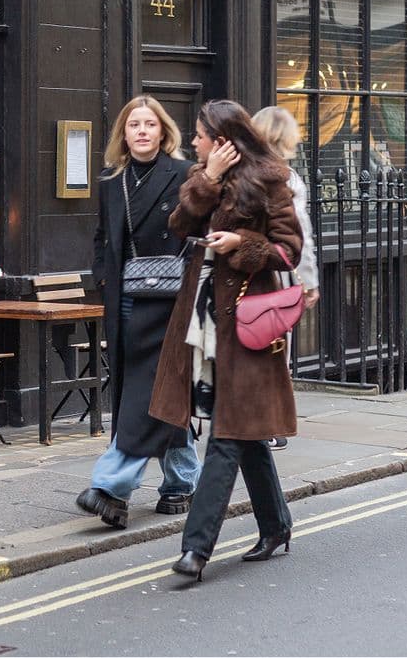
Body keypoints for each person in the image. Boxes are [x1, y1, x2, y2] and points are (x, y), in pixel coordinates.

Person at [150, 99, 302, 581]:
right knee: (247, 430)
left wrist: (242, 246)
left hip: (247, 320)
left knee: (229, 435)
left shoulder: (271, 179)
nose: (192, 141)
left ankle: (196, 549)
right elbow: (177, 225)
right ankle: (276, 525)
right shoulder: (203, 175)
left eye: (198, 134)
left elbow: (288, 251)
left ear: (221, 139)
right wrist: (208, 179)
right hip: (205, 318)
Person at [75, 95, 201, 531]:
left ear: (164, 131)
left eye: (150, 124)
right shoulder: (112, 181)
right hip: (127, 295)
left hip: (170, 299)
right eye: (134, 125)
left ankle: (113, 489)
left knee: (151, 389)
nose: (142, 131)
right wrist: (103, 278)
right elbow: (100, 238)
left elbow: (200, 232)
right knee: (145, 387)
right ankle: (181, 481)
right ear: (123, 134)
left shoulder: (185, 174)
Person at [252, 106, 321, 451]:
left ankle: (253, 421)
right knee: (277, 349)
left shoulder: (240, 174)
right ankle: (271, 423)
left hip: (240, 274)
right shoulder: (288, 179)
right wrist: (308, 280)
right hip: (278, 275)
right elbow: (301, 234)